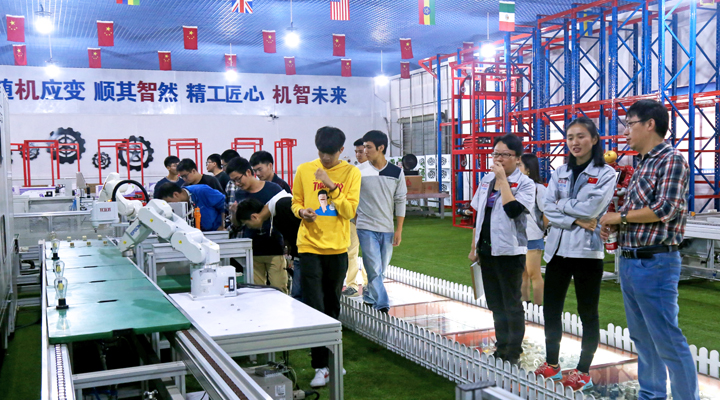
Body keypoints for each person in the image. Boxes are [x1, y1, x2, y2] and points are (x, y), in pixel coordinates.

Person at [600, 100, 698, 400]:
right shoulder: (642, 163)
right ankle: (651, 394)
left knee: (666, 338)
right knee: (643, 338)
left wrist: (619, 218)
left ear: (650, 124)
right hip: (631, 261)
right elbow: (636, 212)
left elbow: (665, 209)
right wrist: (615, 227)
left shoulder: (672, 160)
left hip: (656, 261)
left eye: (630, 124)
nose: (625, 131)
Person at [533, 117, 616, 391]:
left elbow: (592, 209)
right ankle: (552, 364)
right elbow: (547, 206)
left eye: (581, 136)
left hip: (587, 252)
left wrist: (562, 205)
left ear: (594, 139)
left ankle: (583, 371)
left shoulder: (606, 173)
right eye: (570, 137)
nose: (575, 142)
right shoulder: (560, 171)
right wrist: (575, 218)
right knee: (551, 309)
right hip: (557, 251)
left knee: (587, 312)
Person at [291, 126, 360, 388]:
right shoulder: (304, 169)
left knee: (332, 305)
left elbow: (349, 211)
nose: (325, 158)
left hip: (337, 248)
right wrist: (301, 212)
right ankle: (320, 365)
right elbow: (295, 202)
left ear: (341, 150)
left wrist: (330, 185)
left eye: (330, 153)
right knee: (314, 305)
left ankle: (333, 358)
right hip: (309, 246)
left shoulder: (351, 173)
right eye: (321, 152)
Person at [467, 133, 535, 365]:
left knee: (511, 303)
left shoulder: (525, 184)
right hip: (487, 250)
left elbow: (513, 210)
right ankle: (501, 346)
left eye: (505, 154)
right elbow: (479, 216)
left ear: (517, 158)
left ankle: (513, 351)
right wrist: (474, 247)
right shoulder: (486, 180)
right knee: (495, 303)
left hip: (510, 251)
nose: (498, 159)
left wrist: (503, 181)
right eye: (496, 154)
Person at [355, 130, 406, 313]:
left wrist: (399, 229)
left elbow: (400, 200)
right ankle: (383, 304)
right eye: (364, 147)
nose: (364, 151)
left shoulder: (396, 172)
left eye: (368, 147)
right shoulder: (358, 172)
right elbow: (351, 197)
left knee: (380, 269)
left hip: (387, 228)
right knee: (374, 268)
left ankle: (369, 296)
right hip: (365, 227)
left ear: (381, 147)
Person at [226, 157, 288, 294]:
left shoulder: (273, 189)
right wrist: (234, 213)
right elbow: (237, 225)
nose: (237, 184)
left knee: (279, 289)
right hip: (252, 250)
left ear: (248, 172)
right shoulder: (239, 194)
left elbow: (286, 215)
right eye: (233, 181)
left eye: (238, 179)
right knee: (255, 292)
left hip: (274, 248)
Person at [341, 138, 369, 298]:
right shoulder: (353, 172)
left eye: (361, 151)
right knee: (351, 252)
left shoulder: (374, 172)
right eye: (356, 152)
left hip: (368, 219)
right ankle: (351, 285)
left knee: (369, 253)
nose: (358, 154)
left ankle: (367, 284)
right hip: (352, 218)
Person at [519, 154, 546, 306]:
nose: (516, 169)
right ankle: (526, 305)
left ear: (528, 169)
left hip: (533, 236)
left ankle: (538, 307)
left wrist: (544, 231)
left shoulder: (539, 189)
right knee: (522, 274)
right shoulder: (515, 187)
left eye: (519, 166)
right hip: (517, 237)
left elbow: (546, 212)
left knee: (534, 273)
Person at [156, 182, 225, 232]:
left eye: (169, 202)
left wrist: (222, 226)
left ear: (175, 195)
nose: (169, 206)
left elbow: (224, 204)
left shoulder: (202, 191)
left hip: (215, 232)